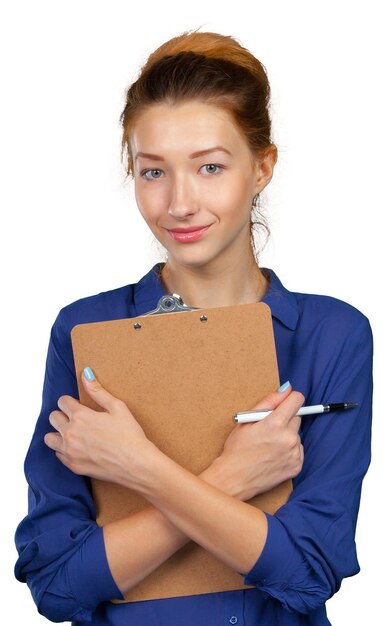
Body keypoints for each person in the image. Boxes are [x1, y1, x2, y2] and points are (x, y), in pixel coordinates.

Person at [14, 29, 373, 626]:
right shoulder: (85, 330)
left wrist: (142, 468)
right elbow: (56, 588)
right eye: (153, 172)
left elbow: (308, 578)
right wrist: (232, 476)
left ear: (262, 168)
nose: (179, 203)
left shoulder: (332, 334)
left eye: (209, 167)